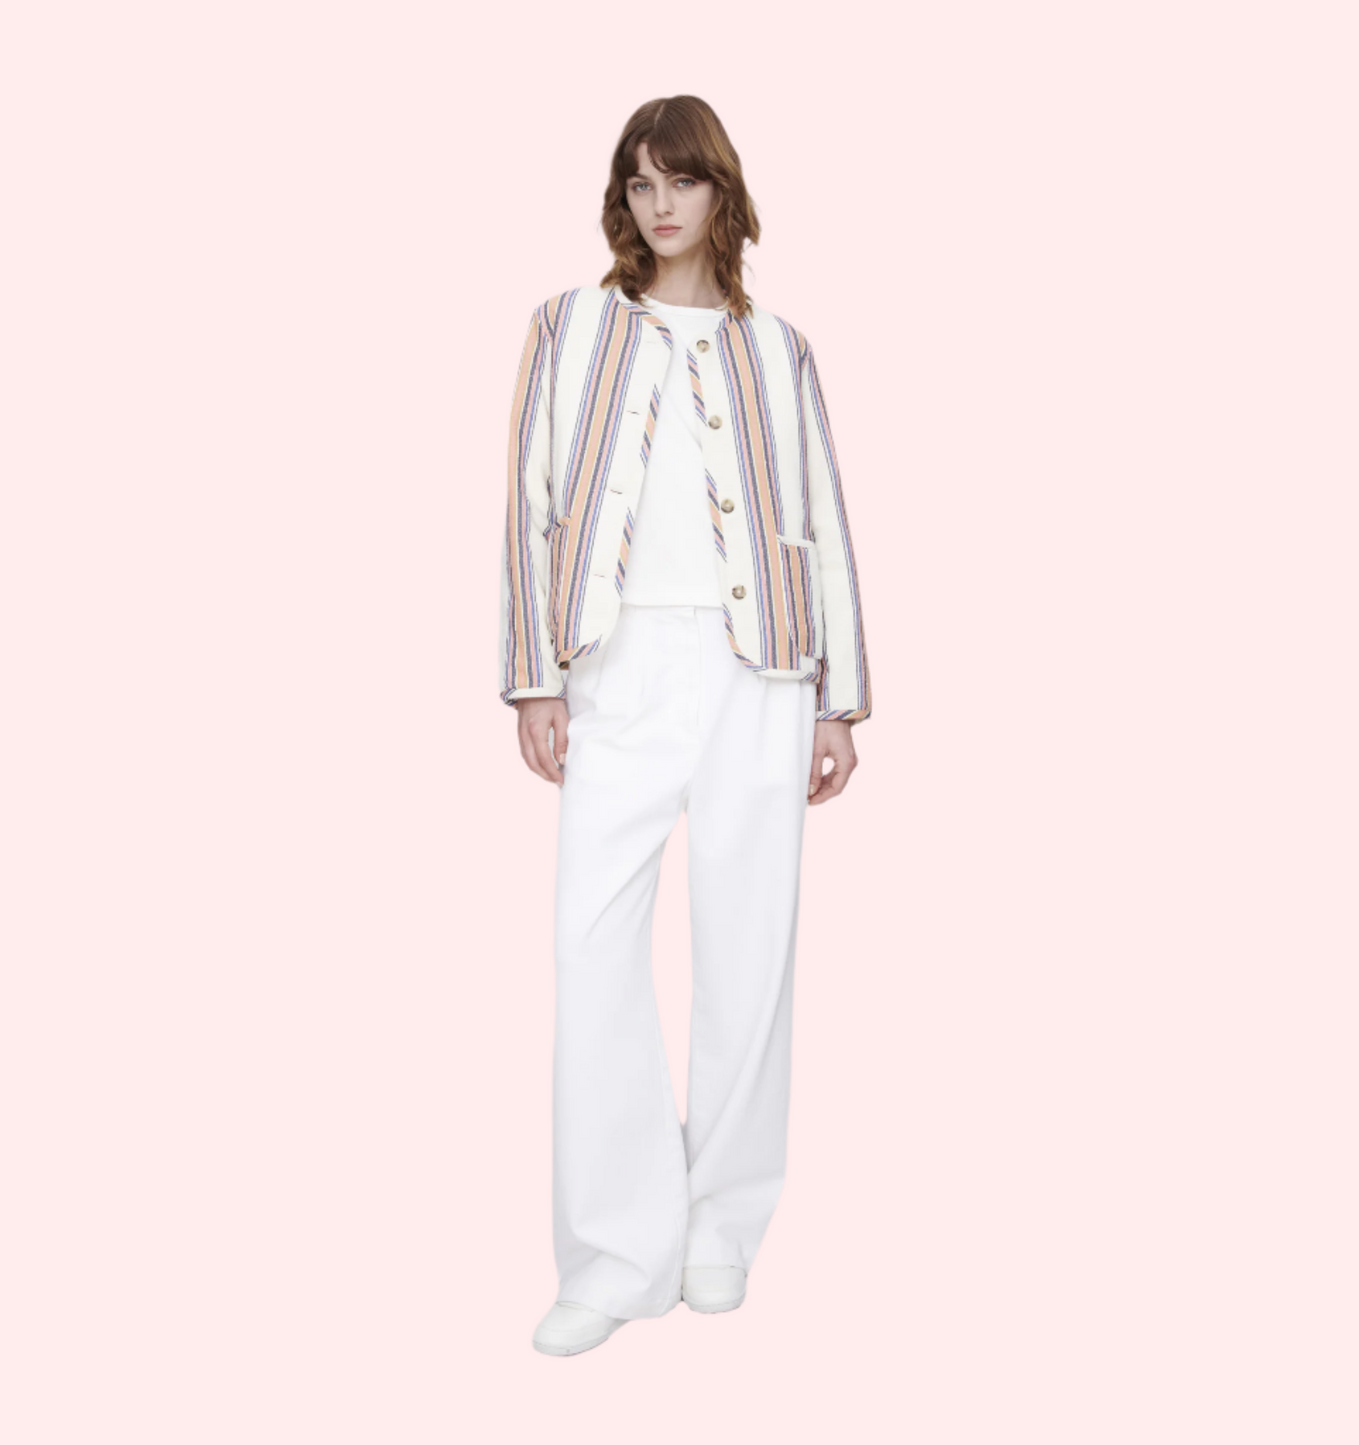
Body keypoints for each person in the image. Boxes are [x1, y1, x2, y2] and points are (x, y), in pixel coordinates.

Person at [497, 95, 873, 1356]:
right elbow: (528, 503)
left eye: (684, 181)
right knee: (591, 945)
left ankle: (718, 1226)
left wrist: (835, 697)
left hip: (760, 669)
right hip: (617, 667)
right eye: (640, 183)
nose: (661, 205)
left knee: (748, 946)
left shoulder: (781, 348)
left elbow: (821, 516)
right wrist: (535, 676)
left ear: (723, 193)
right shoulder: (565, 326)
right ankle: (615, 1251)